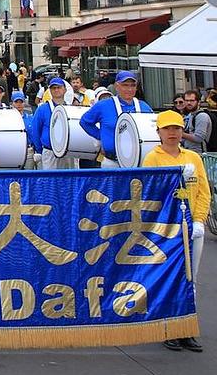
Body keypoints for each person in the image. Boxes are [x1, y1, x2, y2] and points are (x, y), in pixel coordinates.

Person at [143, 110, 210, 353]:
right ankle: (169, 328)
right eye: (167, 129)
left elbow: (203, 191)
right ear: (158, 132)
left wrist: (199, 219)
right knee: (169, 278)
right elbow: (151, 194)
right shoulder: (153, 159)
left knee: (191, 278)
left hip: (192, 227)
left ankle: (187, 329)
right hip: (168, 229)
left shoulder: (194, 157)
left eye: (177, 129)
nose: (172, 133)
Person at [79, 71, 153, 168]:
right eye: (125, 85)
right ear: (117, 86)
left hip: (139, 161)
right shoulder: (103, 105)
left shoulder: (144, 106)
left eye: (133, 85)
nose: (129, 89)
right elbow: (85, 122)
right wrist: (101, 136)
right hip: (112, 162)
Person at [31, 78, 75, 170]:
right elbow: (35, 130)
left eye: (59, 87)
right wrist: (40, 149)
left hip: (68, 152)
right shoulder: (42, 109)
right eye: (53, 88)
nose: (56, 90)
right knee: (49, 182)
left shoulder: (70, 109)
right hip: (49, 151)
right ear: (50, 91)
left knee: (68, 181)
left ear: (65, 90)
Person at [182, 89, 212, 154]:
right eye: (186, 100)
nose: (189, 103)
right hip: (189, 152)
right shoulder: (190, 115)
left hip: (200, 154)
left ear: (198, 102)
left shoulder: (202, 116)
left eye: (192, 100)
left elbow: (199, 138)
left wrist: (180, 134)